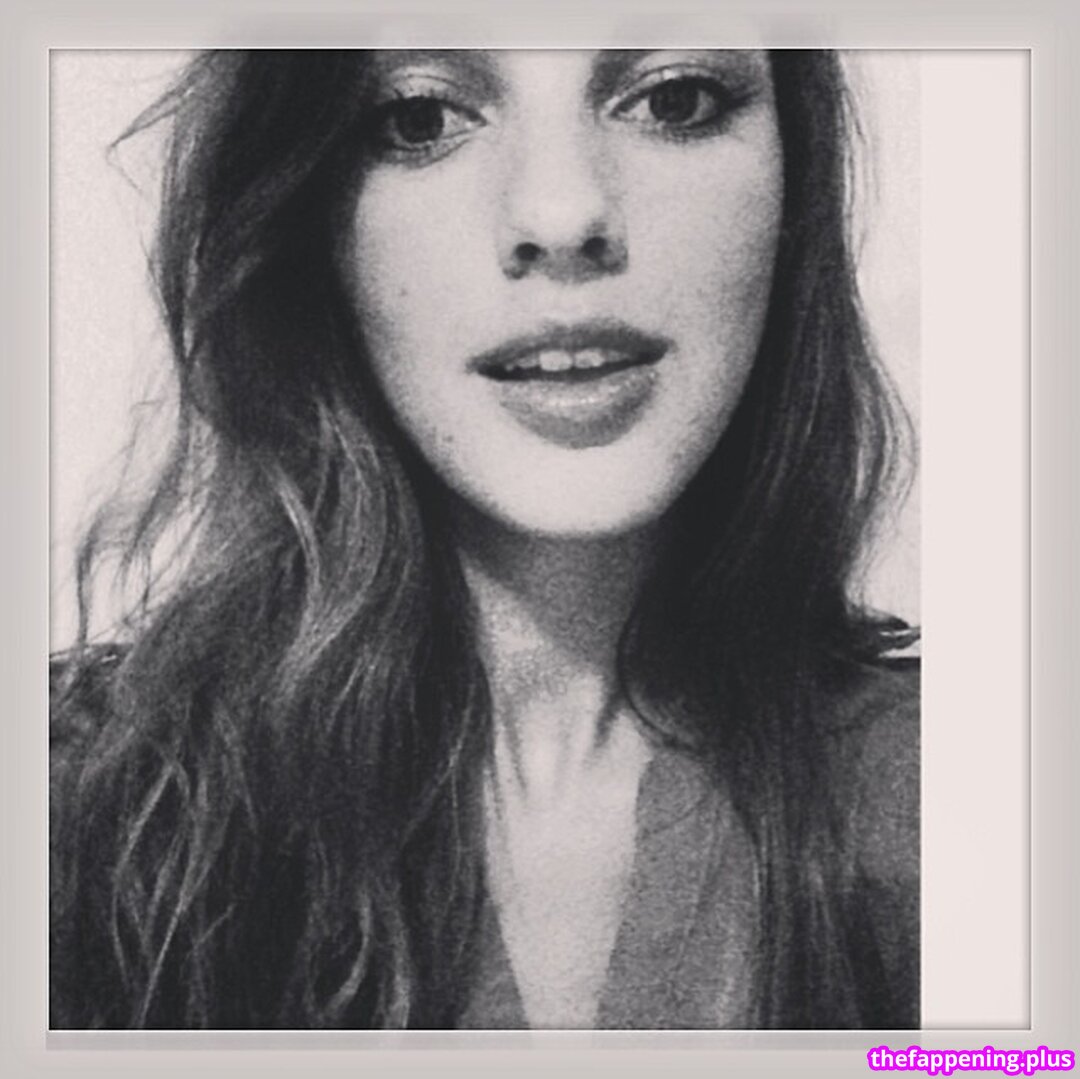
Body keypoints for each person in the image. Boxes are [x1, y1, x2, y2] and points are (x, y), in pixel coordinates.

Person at [49, 48, 919, 1030]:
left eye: (674, 100)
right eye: (421, 118)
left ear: (795, 174)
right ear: (305, 207)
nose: (563, 215)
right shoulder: (70, 817)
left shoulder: (984, 812)